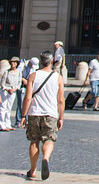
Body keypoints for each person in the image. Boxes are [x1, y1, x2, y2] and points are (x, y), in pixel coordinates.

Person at [20, 51, 64, 181]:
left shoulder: (33, 76)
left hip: (34, 112)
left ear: (40, 61)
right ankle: (46, 158)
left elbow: (27, 98)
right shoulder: (58, 77)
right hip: (50, 113)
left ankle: (33, 170)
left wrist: (23, 115)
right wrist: (61, 117)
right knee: (49, 139)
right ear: (51, 62)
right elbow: (61, 100)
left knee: (34, 141)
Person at [0, 57, 22, 131]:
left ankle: (8, 124)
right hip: (5, 91)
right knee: (3, 107)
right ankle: (2, 124)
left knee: (9, 108)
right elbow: (2, 83)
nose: (13, 64)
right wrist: (7, 89)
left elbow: (19, 83)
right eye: (12, 62)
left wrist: (14, 89)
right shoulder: (7, 72)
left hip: (13, 91)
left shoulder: (19, 72)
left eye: (14, 62)